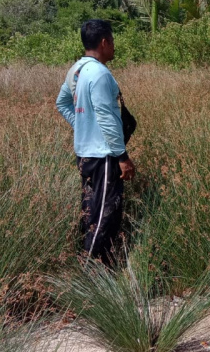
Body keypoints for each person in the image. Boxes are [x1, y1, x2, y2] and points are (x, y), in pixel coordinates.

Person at [56, 19, 136, 265]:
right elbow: (105, 115)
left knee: (91, 211)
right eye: (112, 42)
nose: (113, 47)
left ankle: (103, 268)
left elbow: (62, 103)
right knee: (103, 216)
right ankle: (89, 273)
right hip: (104, 156)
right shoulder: (100, 74)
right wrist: (122, 156)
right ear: (104, 42)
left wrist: (83, 126)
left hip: (85, 153)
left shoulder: (76, 70)